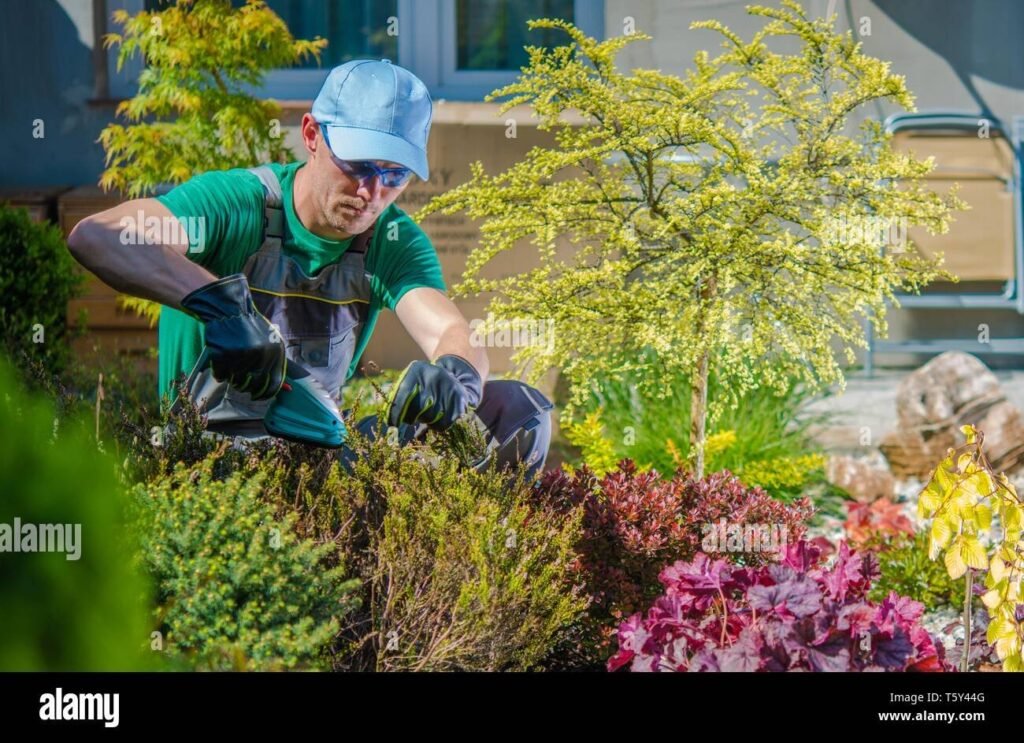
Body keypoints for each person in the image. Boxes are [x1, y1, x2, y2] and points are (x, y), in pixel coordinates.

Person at [67, 59, 553, 481]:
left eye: (395, 174)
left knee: (516, 414)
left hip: (319, 453)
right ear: (312, 136)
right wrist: (224, 309)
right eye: (359, 165)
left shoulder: (391, 241)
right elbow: (99, 236)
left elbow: (450, 329)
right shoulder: (237, 205)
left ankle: (461, 553)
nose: (371, 193)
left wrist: (455, 375)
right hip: (208, 462)